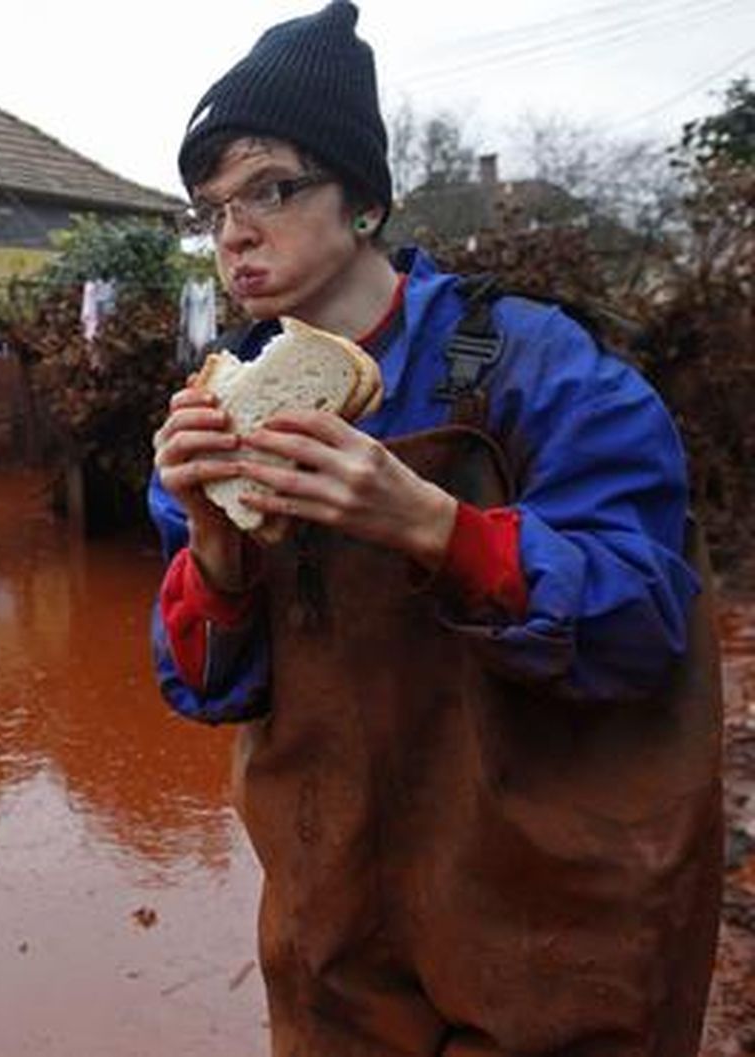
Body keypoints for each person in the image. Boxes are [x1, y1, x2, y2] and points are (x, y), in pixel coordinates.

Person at [148, 4, 723, 1055]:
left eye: (269, 189)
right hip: (336, 932)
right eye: (208, 208)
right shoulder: (220, 408)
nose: (233, 232)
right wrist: (214, 547)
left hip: (552, 920)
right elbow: (209, 686)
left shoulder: (533, 365)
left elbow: (648, 628)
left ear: (364, 199)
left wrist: (438, 528)